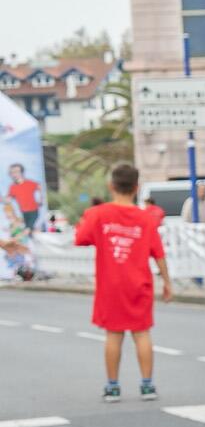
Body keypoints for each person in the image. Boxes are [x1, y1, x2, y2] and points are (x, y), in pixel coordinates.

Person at [74, 162, 173, 402]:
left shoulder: (97, 214)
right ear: (137, 187)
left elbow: (80, 238)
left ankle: (113, 387)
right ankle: (147, 386)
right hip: (140, 285)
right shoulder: (146, 218)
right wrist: (167, 282)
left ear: (111, 186)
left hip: (110, 286)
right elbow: (158, 254)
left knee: (113, 335)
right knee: (142, 335)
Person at [6, 164, 39, 232]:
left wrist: (40, 199)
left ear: (21, 172)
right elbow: (8, 200)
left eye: (16, 172)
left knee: (27, 230)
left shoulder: (31, 183)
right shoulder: (13, 187)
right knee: (28, 230)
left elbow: (39, 189)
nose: (14, 174)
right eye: (11, 172)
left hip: (33, 211)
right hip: (23, 212)